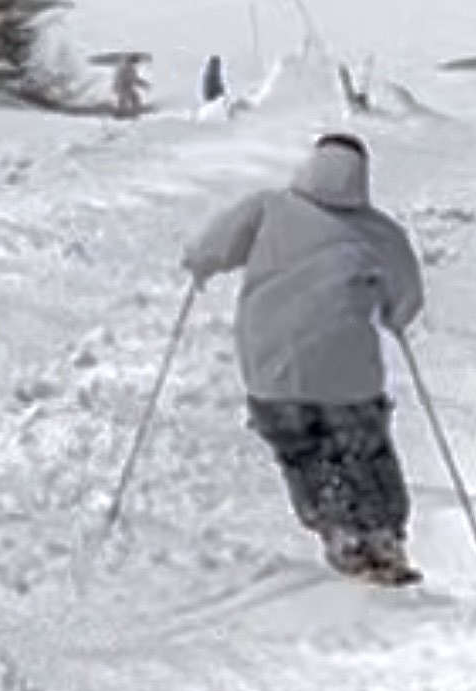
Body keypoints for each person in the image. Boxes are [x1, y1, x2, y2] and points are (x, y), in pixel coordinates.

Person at [181, 133, 425, 585]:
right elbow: (406, 302)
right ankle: (382, 534)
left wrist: (199, 266)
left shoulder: (268, 208)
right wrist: (392, 315)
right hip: (348, 376)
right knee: (364, 449)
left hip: (271, 371)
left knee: (302, 453)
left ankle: (337, 529)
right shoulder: (381, 232)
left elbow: (206, 249)